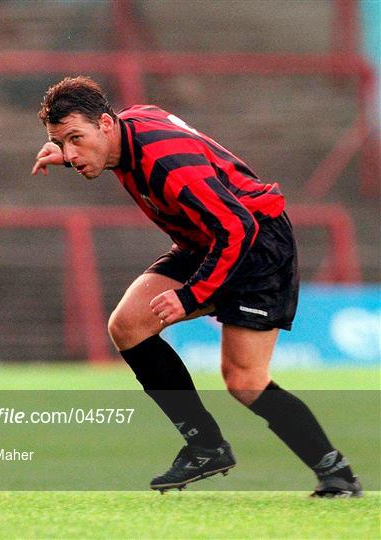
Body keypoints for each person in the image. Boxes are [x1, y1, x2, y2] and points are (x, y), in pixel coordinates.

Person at [32, 76, 362, 497]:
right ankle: (205, 445)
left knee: (245, 381)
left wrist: (192, 295)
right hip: (205, 238)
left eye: (76, 138)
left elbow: (236, 226)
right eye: (62, 143)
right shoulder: (124, 130)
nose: (72, 152)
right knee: (128, 325)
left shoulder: (166, 161)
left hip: (256, 243)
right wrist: (70, 153)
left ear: (106, 124)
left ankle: (338, 475)